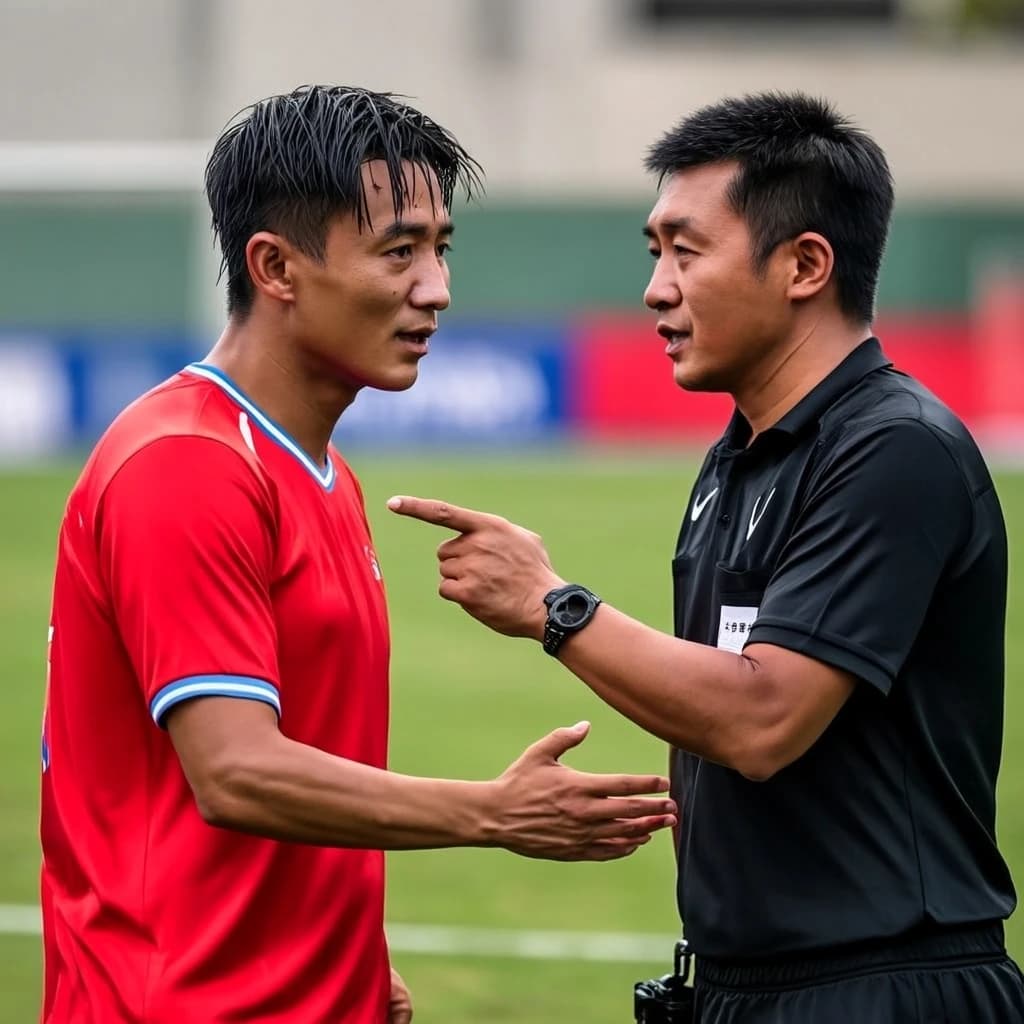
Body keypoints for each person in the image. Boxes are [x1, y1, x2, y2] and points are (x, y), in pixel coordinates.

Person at [38, 85, 677, 1024]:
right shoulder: (188, 465)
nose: (436, 287)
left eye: (441, 248)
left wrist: (350, 946)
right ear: (276, 267)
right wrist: (492, 812)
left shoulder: (322, 473)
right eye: (398, 250)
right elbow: (237, 771)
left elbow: (309, 754)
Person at [388, 92, 1024, 1022]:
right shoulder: (734, 460)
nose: (657, 287)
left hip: (881, 988)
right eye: (656, 253)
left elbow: (764, 719)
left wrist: (553, 606)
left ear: (805, 265)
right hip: (745, 983)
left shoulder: (896, 448)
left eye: (687, 251)